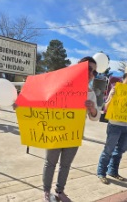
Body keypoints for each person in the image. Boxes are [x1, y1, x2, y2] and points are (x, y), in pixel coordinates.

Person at [42, 57, 101, 202]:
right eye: (89, 69)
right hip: (55, 131)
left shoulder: (90, 93)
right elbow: (42, 99)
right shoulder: (60, 85)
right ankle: (46, 192)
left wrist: (92, 109)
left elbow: (95, 117)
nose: (91, 74)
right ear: (79, 67)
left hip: (74, 134)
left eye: (94, 72)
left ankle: (59, 191)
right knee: (50, 162)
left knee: (66, 165)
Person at [97, 65, 127, 184]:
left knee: (120, 151)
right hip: (114, 125)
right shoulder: (116, 89)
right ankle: (101, 173)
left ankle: (113, 171)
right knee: (108, 150)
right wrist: (111, 98)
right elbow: (105, 108)